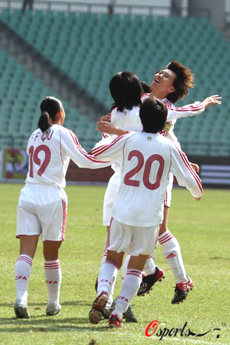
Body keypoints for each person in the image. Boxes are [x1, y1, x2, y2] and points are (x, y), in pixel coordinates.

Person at [96, 62, 221, 305]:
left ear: (171, 88)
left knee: (157, 229)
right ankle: (151, 273)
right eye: (159, 71)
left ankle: (177, 278)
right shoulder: (140, 100)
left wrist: (204, 104)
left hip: (157, 178)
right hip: (135, 174)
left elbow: (163, 134)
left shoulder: (166, 110)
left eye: (165, 75)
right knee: (139, 231)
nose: (159, 74)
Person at [90, 97, 203, 328]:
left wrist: (108, 133)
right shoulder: (170, 147)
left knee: (112, 258)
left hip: (121, 211)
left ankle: (103, 291)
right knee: (136, 267)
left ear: (140, 119)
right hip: (150, 216)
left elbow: (98, 153)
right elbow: (192, 182)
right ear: (165, 124)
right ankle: (117, 313)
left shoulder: (128, 139)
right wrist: (196, 193)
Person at [15, 96, 109, 319]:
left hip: (28, 193)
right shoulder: (63, 133)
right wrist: (115, 158)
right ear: (60, 113)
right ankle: (52, 303)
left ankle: (20, 299)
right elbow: (85, 161)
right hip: (51, 196)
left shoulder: (34, 135)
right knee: (51, 255)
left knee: (25, 253)